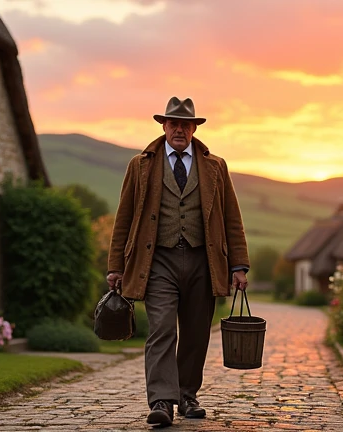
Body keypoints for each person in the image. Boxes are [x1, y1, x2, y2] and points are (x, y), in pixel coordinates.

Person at [106, 96, 250, 427]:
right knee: (160, 329)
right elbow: (123, 218)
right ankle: (161, 400)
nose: (180, 129)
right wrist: (116, 265)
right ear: (164, 126)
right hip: (157, 262)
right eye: (174, 124)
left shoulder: (215, 165)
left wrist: (238, 265)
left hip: (204, 260)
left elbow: (232, 219)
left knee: (197, 332)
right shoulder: (140, 165)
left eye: (186, 124)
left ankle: (187, 396)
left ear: (194, 128)